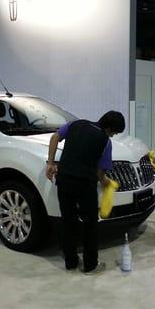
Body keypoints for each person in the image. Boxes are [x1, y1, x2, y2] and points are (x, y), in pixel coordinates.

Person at [47, 111, 125, 275]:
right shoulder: (105, 142)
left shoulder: (76, 124)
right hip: (85, 185)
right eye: (114, 132)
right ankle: (90, 264)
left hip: (64, 180)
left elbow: (55, 137)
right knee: (90, 224)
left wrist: (51, 162)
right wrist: (107, 184)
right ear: (110, 128)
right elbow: (99, 174)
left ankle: (71, 262)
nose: (113, 135)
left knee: (68, 221)